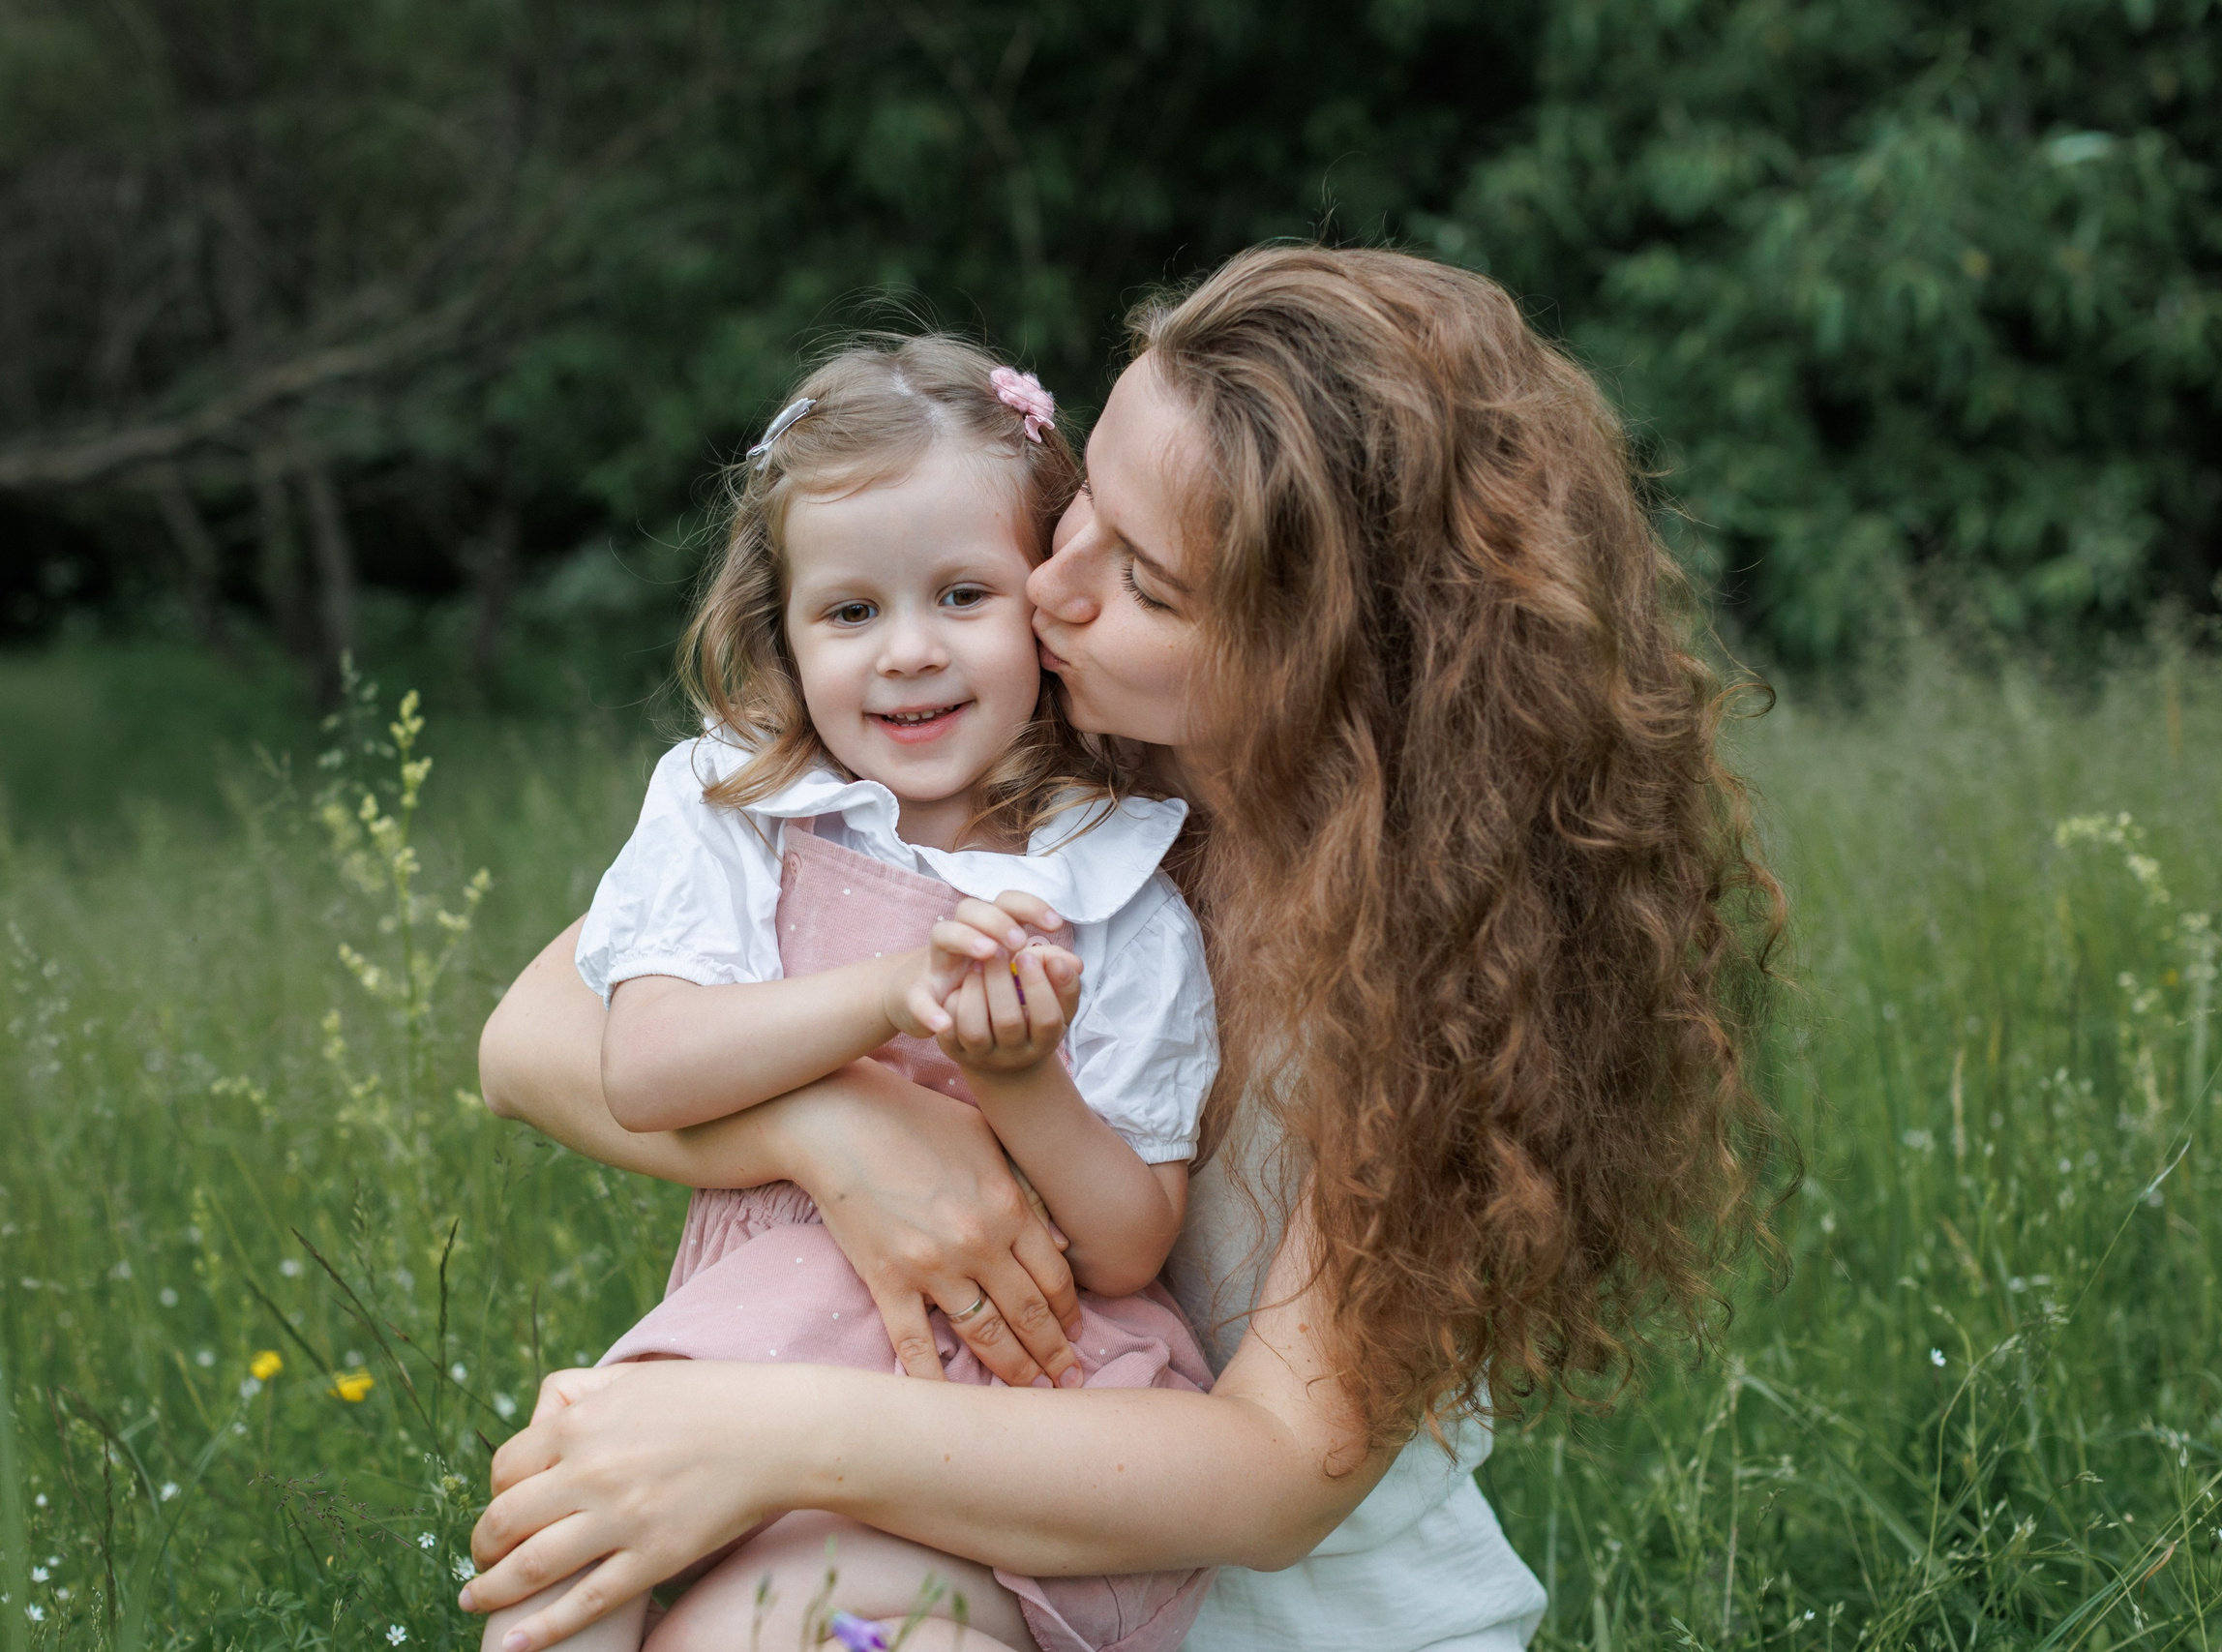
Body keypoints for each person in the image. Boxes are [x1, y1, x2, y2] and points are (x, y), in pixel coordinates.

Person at [467, 247, 1785, 1652]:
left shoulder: (1442, 963)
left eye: (1147, 582)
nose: (1051, 588)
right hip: (941, 1532)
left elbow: (1279, 1478)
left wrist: (766, 1433)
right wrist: (844, 1130)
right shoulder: (1026, 768)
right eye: (1083, 501)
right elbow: (539, 1035)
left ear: (1328, 657)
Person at [491, 335, 1224, 1652]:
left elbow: (1126, 1246)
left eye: (960, 594)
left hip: (1007, 1386)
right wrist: (893, 992)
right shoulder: (741, 810)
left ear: (1043, 604)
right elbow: (647, 1066)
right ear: (778, 627)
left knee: (846, 1628)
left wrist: (1021, 1083)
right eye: (850, 612)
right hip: (762, 1323)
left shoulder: (1111, 881)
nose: (907, 654)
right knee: (560, 1562)